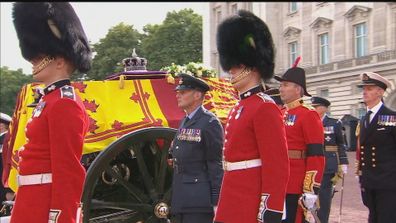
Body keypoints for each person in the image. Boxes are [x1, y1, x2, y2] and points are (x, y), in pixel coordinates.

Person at [10, 3, 91, 223]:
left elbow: (68, 170)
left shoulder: (65, 103)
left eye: (39, 57)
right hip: (31, 200)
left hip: (44, 206)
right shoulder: (49, 100)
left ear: (59, 61)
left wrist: (61, 216)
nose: (33, 61)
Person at [214, 10, 290, 223]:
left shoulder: (265, 108)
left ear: (252, 66)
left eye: (236, 65)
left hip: (250, 201)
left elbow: (277, 166)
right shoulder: (239, 107)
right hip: (231, 196)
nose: (230, 70)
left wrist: (270, 208)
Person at [275, 60, 325, 223]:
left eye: (286, 85)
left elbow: (316, 154)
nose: (281, 88)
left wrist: (310, 188)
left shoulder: (308, 114)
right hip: (278, 179)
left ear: (298, 89)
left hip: (295, 181)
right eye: (281, 85)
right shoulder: (280, 112)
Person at [169, 73, 224, 223]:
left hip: (199, 201)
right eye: (178, 92)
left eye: (183, 92)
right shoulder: (185, 121)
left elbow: (215, 164)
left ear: (197, 95)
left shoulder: (210, 122)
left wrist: (216, 201)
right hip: (182, 197)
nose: (178, 96)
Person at [356, 72, 396, 223]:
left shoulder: (391, 117)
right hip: (369, 181)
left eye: (370, 88)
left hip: (388, 182)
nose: (365, 92)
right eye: (364, 88)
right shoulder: (364, 119)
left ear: (380, 92)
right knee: (373, 218)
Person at [311, 96, 349, 223]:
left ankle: (322, 220)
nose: (314, 109)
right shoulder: (309, 121)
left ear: (324, 108)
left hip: (328, 164)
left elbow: (341, 144)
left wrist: (343, 162)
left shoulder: (334, 123)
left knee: (324, 197)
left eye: (316, 107)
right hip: (312, 163)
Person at [0, 112, 13, 215]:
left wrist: (8, 188)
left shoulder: (6, 141)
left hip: (3, 187)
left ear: (2, 125)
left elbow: (9, 164)